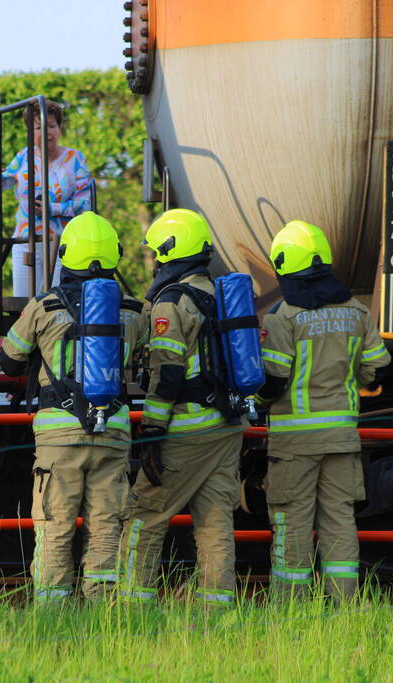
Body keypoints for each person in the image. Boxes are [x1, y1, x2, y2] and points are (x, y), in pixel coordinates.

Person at [0, 212, 147, 602]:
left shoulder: (43, 307)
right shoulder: (133, 310)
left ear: (67, 255)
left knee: (55, 524)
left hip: (58, 436)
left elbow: (9, 360)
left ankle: (52, 612)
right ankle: (103, 610)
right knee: (106, 526)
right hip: (113, 432)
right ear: (114, 255)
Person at [117, 208, 247, 608]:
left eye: (157, 253)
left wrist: (153, 432)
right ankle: (216, 611)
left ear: (172, 252)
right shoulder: (220, 295)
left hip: (187, 430)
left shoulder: (171, 303)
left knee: (145, 515)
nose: (155, 261)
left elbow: (168, 373)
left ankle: (130, 606)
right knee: (214, 521)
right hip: (227, 426)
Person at [258, 220, 391, 600]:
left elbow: (273, 381)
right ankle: (343, 604)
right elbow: (376, 368)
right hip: (342, 438)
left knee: (291, 522)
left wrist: (256, 403)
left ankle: (291, 607)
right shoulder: (357, 312)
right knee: (339, 520)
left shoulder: (283, 317)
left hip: (294, 442)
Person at [0, 101, 92, 298]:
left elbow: (86, 203)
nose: (47, 132)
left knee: (59, 302)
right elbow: (0, 183)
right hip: (26, 239)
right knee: (23, 303)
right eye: (39, 127)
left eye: (52, 126)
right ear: (29, 131)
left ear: (60, 129)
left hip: (62, 242)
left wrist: (54, 209)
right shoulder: (23, 156)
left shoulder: (75, 158)